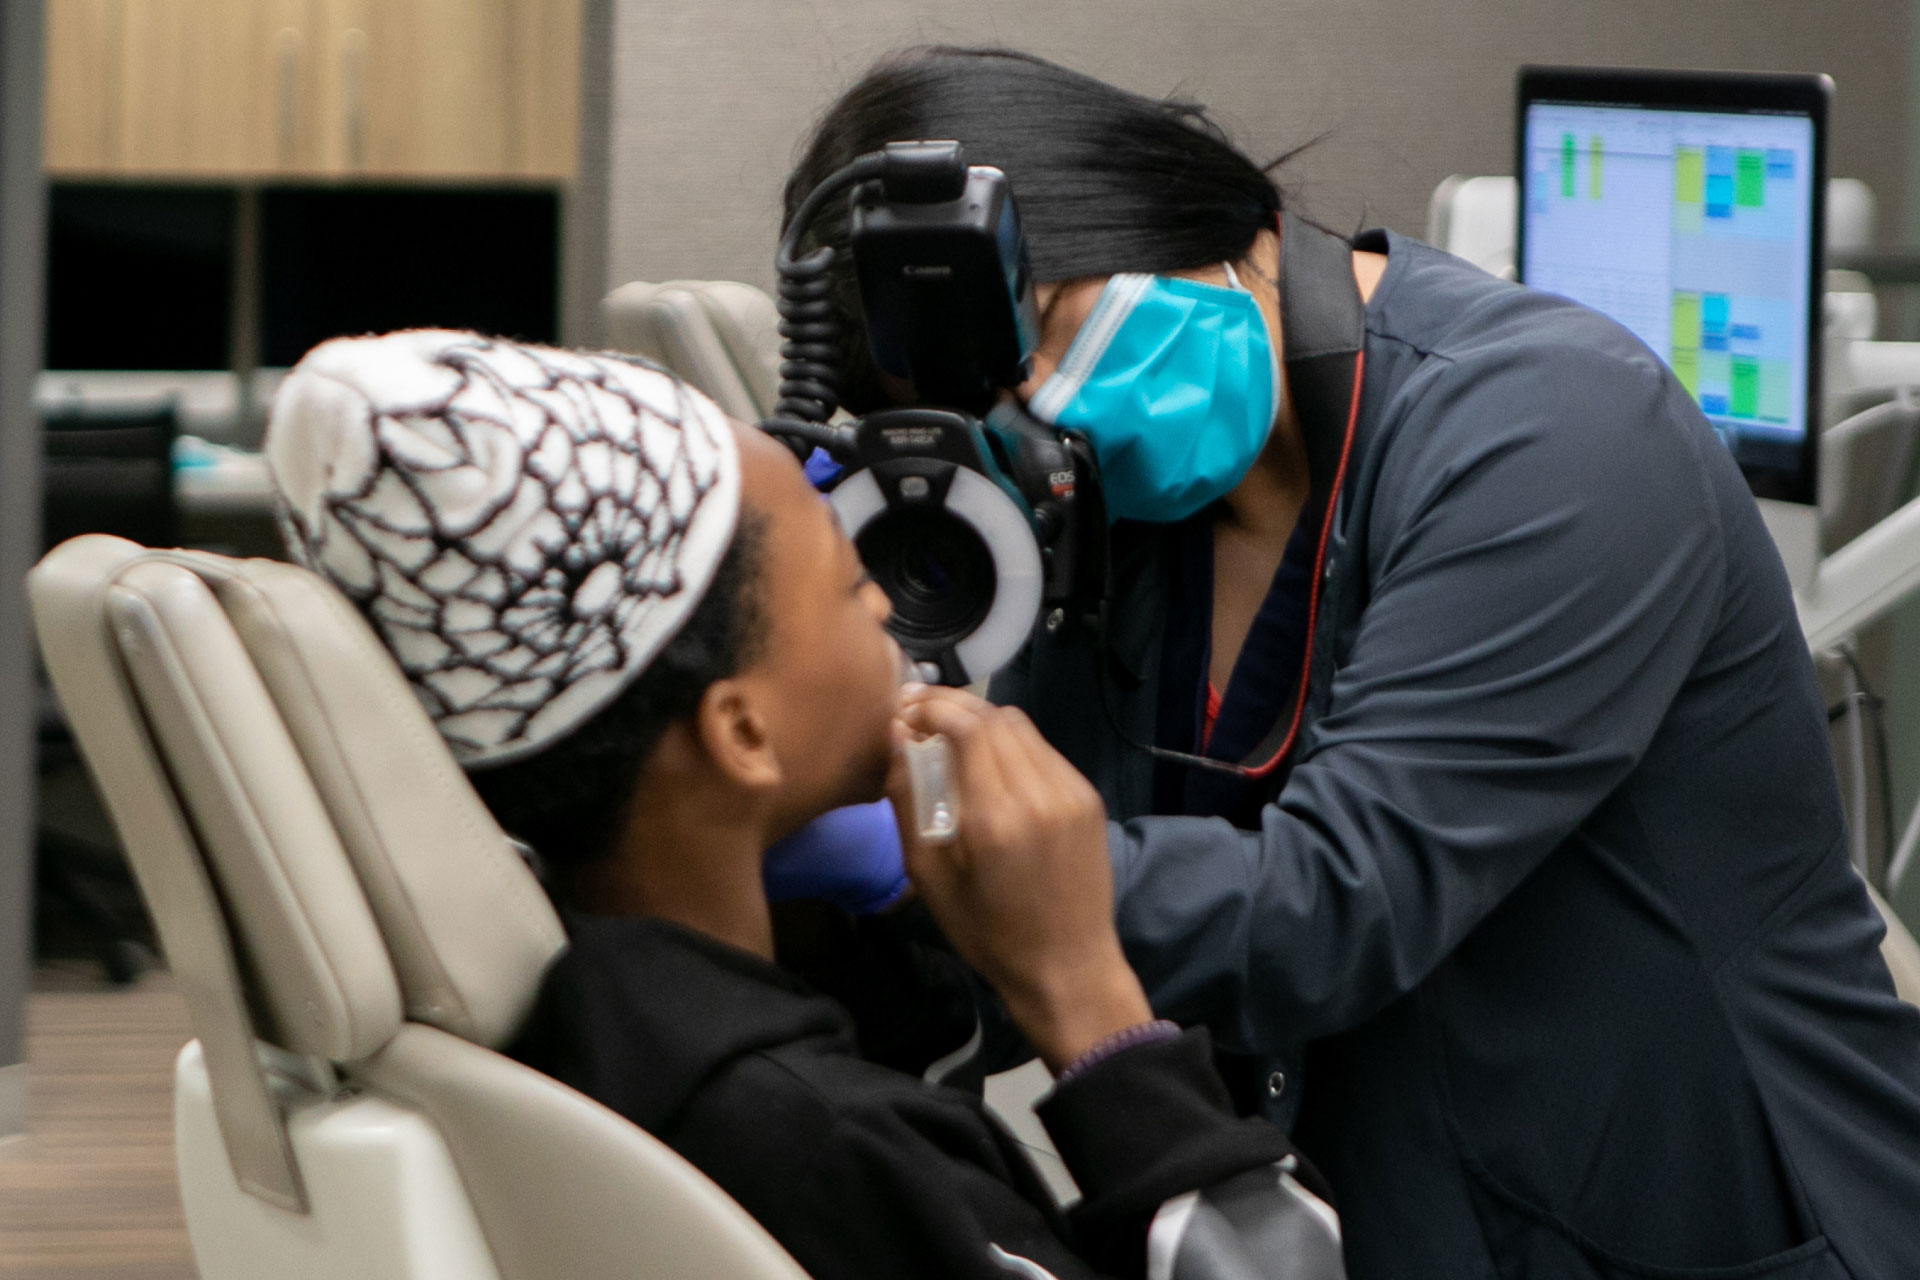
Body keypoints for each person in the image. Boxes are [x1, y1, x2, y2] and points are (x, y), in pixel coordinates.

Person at [776, 46, 1920, 1280]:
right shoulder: (1122, 522)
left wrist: (920, 857)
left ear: (1164, 199)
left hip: (1709, 1220)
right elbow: (1087, 915)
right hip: (1404, 1205)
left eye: (1046, 329)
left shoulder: (1554, 427)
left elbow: (1335, 900)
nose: (1045, 412)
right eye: (989, 404)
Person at [264, 329, 1347, 1280]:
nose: (886, 601)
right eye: (843, 578)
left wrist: (885, 940)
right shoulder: (829, 1142)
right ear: (740, 733)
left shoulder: (617, 1022)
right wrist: (1091, 1001)